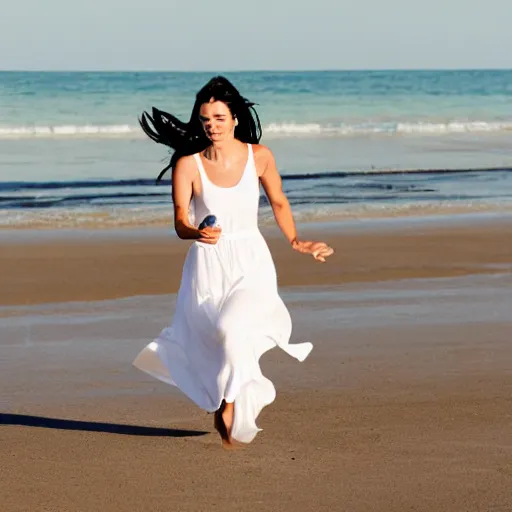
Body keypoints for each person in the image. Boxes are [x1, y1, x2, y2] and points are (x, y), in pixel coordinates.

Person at [133, 76, 334, 447]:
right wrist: (196, 233)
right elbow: (180, 220)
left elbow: (278, 202)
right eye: (206, 119)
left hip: (250, 259)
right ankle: (229, 397)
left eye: (220, 118)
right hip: (208, 264)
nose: (212, 125)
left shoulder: (260, 157)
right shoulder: (187, 165)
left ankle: (228, 402)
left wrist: (296, 240)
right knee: (216, 339)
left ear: (236, 118)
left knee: (231, 328)